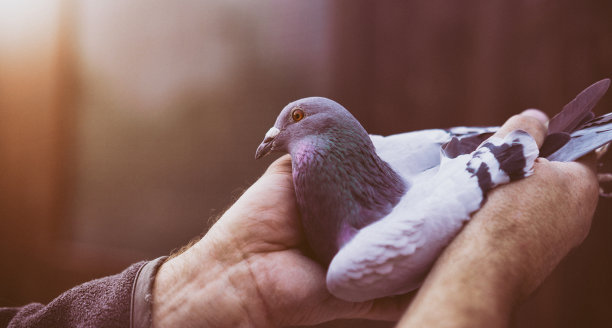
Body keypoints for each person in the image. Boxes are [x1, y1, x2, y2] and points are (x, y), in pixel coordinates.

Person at [0, 110, 600, 328]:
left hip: (469, 165)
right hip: (457, 170)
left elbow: (448, 152)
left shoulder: (355, 256)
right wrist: (499, 253)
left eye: (289, 121)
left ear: (317, 127)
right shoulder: (351, 157)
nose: (272, 136)